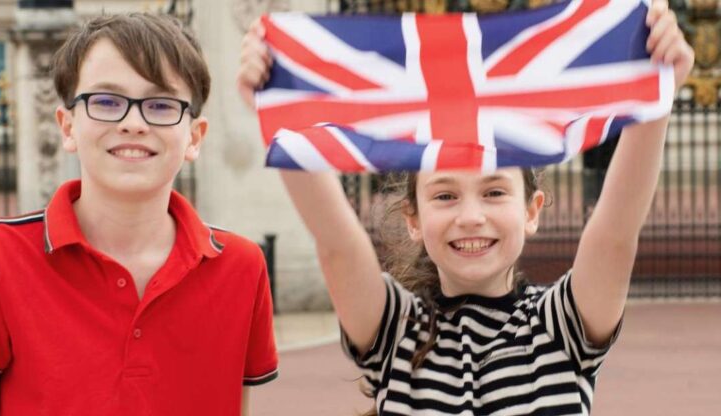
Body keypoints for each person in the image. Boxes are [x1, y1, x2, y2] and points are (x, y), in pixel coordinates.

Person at [237, 1, 692, 414]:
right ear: (413, 219)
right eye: (445, 195)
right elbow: (337, 243)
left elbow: (615, 236)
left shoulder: (560, 326)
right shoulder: (393, 329)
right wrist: (280, 118)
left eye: (494, 192)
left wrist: (657, 97)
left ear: (532, 211)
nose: (470, 215)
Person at [0, 13, 277, 416]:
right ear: (68, 126)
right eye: (107, 102)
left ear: (194, 137)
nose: (133, 123)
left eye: (161, 104)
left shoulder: (242, 268)